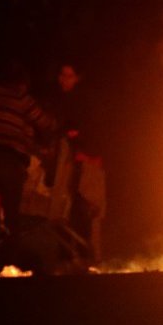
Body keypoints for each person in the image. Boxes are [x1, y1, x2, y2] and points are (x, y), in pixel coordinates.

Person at [0, 58, 57, 274]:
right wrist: (55, 131)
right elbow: (44, 122)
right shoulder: (21, 97)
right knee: (11, 212)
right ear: (21, 81)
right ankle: (9, 261)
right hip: (10, 161)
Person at [43, 62, 106, 265]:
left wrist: (82, 147)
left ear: (78, 78)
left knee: (89, 210)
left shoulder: (84, 100)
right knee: (69, 211)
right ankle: (72, 256)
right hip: (75, 163)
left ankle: (90, 257)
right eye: (61, 74)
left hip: (88, 162)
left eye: (68, 75)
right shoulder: (67, 99)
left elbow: (92, 130)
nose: (62, 79)